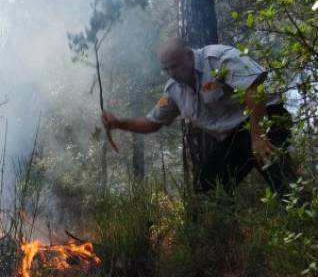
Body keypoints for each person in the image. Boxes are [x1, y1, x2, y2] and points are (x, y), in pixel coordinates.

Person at [102, 37, 296, 195]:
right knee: (208, 188)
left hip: (265, 119)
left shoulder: (218, 58)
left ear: (188, 55)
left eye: (175, 66)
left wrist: (258, 136)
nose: (172, 73)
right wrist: (119, 123)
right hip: (234, 137)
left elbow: (254, 90)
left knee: (283, 180)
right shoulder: (173, 90)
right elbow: (152, 122)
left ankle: (306, 225)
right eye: (166, 69)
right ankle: (222, 238)